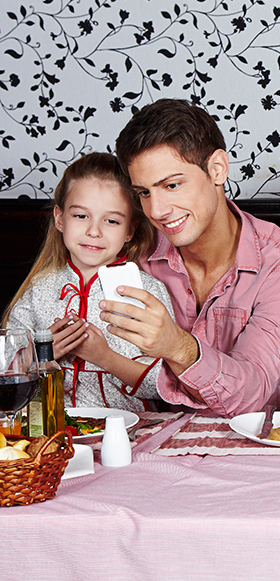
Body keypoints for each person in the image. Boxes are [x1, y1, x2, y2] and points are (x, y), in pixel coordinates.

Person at [106, 99, 280, 417]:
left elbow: (253, 394)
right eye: (144, 193)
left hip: (261, 448)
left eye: (172, 185)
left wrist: (176, 345)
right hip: (154, 445)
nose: (157, 210)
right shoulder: (137, 253)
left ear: (217, 169)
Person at [3, 153, 173, 411]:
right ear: (60, 219)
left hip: (129, 433)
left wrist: (105, 357)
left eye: (112, 221)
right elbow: (5, 367)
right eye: (81, 216)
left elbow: (168, 387)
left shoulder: (147, 291)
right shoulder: (39, 288)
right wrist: (42, 353)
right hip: (50, 429)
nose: (94, 231)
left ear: (130, 230)